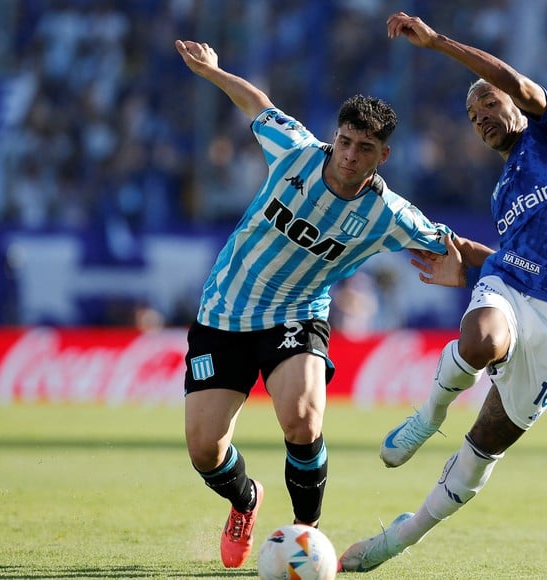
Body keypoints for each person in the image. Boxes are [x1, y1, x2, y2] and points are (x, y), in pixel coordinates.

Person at [174, 39, 453, 570]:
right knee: (204, 449)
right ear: (334, 138)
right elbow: (256, 104)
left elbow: (450, 245)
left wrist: (517, 270)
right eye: (345, 142)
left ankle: (306, 540)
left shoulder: (389, 214)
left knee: (301, 420)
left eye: (364, 148)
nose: (350, 155)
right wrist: (214, 71)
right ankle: (245, 501)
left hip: (296, 314)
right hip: (223, 312)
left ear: (383, 155)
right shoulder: (296, 151)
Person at [339, 12, 547, 572]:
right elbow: (513, 263)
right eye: (472, 113)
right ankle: (430, 414)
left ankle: (397, 540)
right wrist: (473, 266)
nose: (481, 115)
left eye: (489, 103)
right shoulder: (504, 189)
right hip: (512, 291)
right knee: (481, 341)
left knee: (486, 445)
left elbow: (518, 82)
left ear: (514, 102)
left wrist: (437, 44)